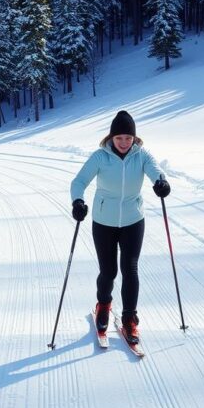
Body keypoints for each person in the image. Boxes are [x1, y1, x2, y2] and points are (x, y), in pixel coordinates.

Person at [70, 111, 171, 344]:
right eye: (119, 138)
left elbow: (156, 170)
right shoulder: (100, 157)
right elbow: (79, 181)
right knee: (109, 271)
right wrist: (78, 201)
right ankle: (104, 304)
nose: (124, 142)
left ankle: (129, 318)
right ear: (111, 137)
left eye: (128, 138)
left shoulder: (142, 155)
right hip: (104, 221)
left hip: (133, 220)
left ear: (134, 138)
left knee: (130, 268)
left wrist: (161, 182)